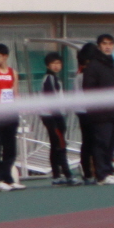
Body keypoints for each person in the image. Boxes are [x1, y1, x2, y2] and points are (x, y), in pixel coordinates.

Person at [75, 33, 114, 186]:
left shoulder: (113, 66)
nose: (108, 46)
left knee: (111, 144)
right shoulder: (92, 67)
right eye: (104, 43)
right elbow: (88, 90)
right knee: (101, 143)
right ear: (99, 46)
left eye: (111, 43)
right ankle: (102, 175)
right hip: (100, 113)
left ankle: (108, 172)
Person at [0, 44, 22, 190]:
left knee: (10, 148)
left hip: (10, 113)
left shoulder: (13, 73)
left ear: (5, 57)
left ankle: (8, 178)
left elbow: (15, 93)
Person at [37, 51, 73, 185]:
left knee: (55, 145)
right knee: (60, 144)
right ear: (47, 65)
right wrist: (58, 118)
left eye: (58, 63)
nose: (56, 66)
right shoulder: (50, 79)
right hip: (52, 116)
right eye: (53, 63)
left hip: (51, 115)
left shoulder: (54, 78)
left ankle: (57, 175)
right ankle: (68, 175)